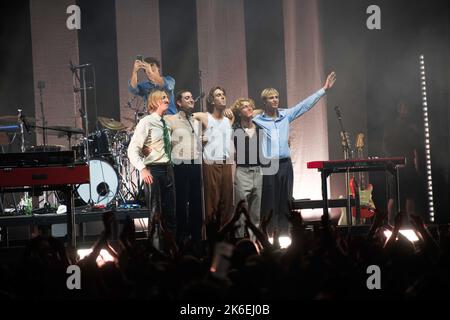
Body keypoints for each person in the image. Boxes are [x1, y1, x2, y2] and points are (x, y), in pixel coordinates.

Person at [253, 71, 336, 235]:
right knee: (270, 202)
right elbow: (239, 114)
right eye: (271, 98)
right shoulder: (258, 119)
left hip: (285, 164)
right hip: (270, 165)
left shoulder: (286, 115)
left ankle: (284, 236)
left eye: (276, 97)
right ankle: (268, 236)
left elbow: (304, 105)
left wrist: (324, 89)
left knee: (286, 201)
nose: (275, 100)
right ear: (265, 101)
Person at [127, 89, 176, 244]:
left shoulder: (166, 123)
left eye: (167, 97)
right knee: (155, 211)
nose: (167, 99)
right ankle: (156, 249)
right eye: (163, 97)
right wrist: (142, 168)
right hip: (153, 169)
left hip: (168, 169)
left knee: (170, 211)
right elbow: (133, 148)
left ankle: (170, 248)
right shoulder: (146, 121)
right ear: (154, 102)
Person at [192, 87, 234, 230]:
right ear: (211, 100)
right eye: (218, 95)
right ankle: (212, 240)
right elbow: (191, 116)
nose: (222, 97)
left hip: (227, 163)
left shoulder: (229, 119)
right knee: (211, 204)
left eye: (223, 94)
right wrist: (198, 138)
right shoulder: (205, 117)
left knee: (227, 203)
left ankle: (227, 239)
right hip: (211, 164)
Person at [165, 90, 203, 245]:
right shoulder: (171, 119)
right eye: (187, 98)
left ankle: (196, 237)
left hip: (195, 164)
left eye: (192, 97)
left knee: (196, 202)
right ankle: (181, 237)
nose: (191, 99)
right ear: (179, 103)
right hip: (179, 165)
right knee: (181, 201)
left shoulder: (196, 121)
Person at [383, 101, 423, 224]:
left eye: (407, 108)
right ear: (399, 110)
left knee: (408, 198)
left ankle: (413, 226)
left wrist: (416, 166)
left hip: (407, 167)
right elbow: (386, 147)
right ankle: (391, 226)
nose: (405, 111)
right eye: (403, 108)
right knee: (394, 198)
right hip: (395, 167)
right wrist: (391, 163)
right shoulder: (392, 127)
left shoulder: (411, 128)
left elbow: (415, 149)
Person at [231, 98, 263, 238]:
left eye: (250, 106)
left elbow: (261, 112)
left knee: (256, 213)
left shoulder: (259, 127)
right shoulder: (235, 128)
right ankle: (239, 242)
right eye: (244, 107)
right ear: (239, 112)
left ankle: (254, 244)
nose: (249, 108)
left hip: (258, 171)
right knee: (241, 212)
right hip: (243, 172)